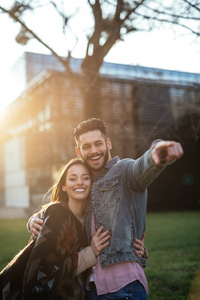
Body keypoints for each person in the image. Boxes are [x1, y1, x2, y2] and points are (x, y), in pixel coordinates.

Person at [28, 118, 184, 300]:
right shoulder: (86, 185)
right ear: (79, 151)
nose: (93, 151)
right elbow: (67, 212)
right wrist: (36, 219)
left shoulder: (124, 171)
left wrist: (157, 152)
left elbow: (142, 167)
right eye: (86, 147)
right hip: (92, 289)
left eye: (98, 144)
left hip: (124, 287)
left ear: (108, 144)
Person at [0, 158, 111, 300]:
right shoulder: (58, 212)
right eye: (72, 178)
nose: (79, 182)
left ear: (91, 183)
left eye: (85, 178)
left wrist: (139, 249)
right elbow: (46, 267)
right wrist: (91, 252)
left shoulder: (92, 220)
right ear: (64, 186)